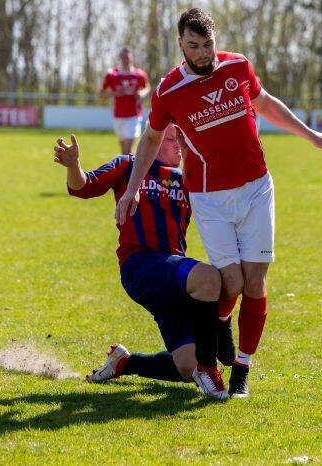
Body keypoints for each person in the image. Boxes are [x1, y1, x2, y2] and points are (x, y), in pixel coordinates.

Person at [115, 8, 322, 398]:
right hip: (209, 197)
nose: (203, 53)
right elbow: (152, 140)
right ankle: (220, 323)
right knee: (233, 282)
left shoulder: (237, 66)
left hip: (257, 187)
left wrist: (311, 136)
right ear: (181, 45)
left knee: (255, 282)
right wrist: (132, 187)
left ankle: (242, 366)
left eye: (208, 44)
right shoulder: (168, 91)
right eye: (194, 46)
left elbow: (266, 103)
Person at [53, 124, 229, 400]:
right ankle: (214, 364)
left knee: (187, 368)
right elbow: (83, 187)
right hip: (141, 266)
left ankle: (125, 363)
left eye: (182, 140)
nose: (178, 146)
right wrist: (73, 165)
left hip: (173, 273)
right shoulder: (129, 166)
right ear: (153, 140)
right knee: (208, 278)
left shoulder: (189, 179)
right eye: (171, 139)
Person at [99, 47, 150, 155]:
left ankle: (133, 170)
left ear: (132, 58)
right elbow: (101, 93)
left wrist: (141, 93)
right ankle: (129, 168)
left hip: (134, 115)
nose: (125, 60)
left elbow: (147, 87)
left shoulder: (139, 74)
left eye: (127, 57)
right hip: (118, 115)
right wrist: (114, 93)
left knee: (128, 149)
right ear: (119, 59)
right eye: (123, 57)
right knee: (124, 150)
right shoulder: (112, 75)